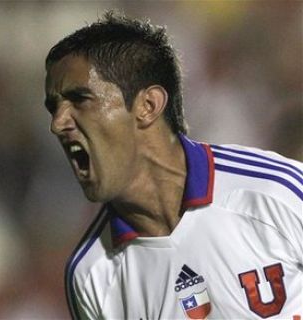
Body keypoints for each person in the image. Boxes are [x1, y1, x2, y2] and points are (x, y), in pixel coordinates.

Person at [44, 12, 302, 320]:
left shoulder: (276, 191)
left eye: (80, 99)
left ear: (147, 106)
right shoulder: (91, 275)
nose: (58, 123)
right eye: (54, 107)